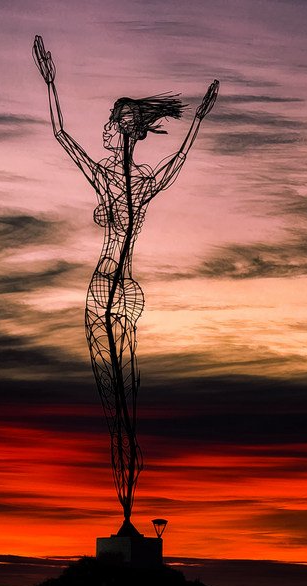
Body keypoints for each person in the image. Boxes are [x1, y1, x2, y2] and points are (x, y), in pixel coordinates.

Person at [33, 35, 218, 535]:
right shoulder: (126, 180)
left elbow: (63, 135)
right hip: (115, 291)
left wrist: (51, 84)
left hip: (111, 292)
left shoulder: (123, 182)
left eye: (114, 123)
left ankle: (128, 511)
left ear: (124, 130)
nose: (107, 131)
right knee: (119, 399)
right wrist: (50, 83)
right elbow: (66, 136)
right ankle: (126, 512)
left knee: (122, 399)